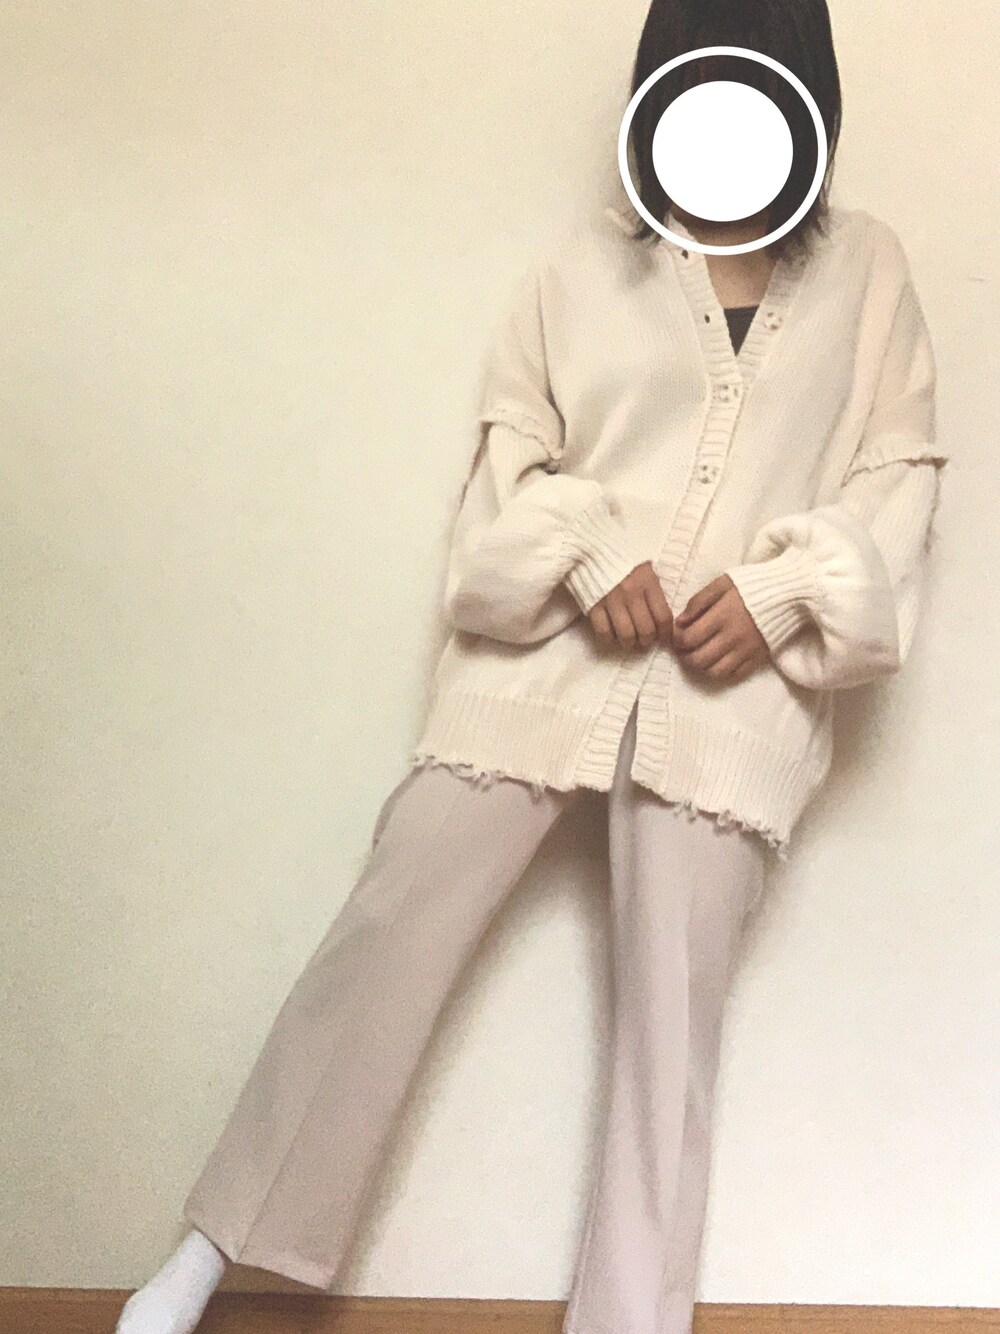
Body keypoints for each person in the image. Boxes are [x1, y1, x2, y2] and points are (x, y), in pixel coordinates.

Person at [115, 2, 947, 1332]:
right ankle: (207, 1258)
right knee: (388, 930)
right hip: (543, 664)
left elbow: (897, 476)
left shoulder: (869, 273)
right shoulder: (580, 269)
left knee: (671, 1031)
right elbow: (510, 464)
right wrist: (582, 558)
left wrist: (782, 593)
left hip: (730, 696)